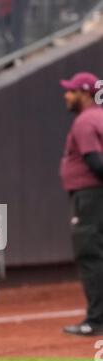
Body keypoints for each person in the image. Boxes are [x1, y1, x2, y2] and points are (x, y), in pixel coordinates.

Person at [60, 72, 103, 336]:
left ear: (86, 93)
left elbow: (96, 162)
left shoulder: (85, 121)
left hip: (90, 197)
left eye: (72, 90)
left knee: (90, 255)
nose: (67, 94)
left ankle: (96, 320)